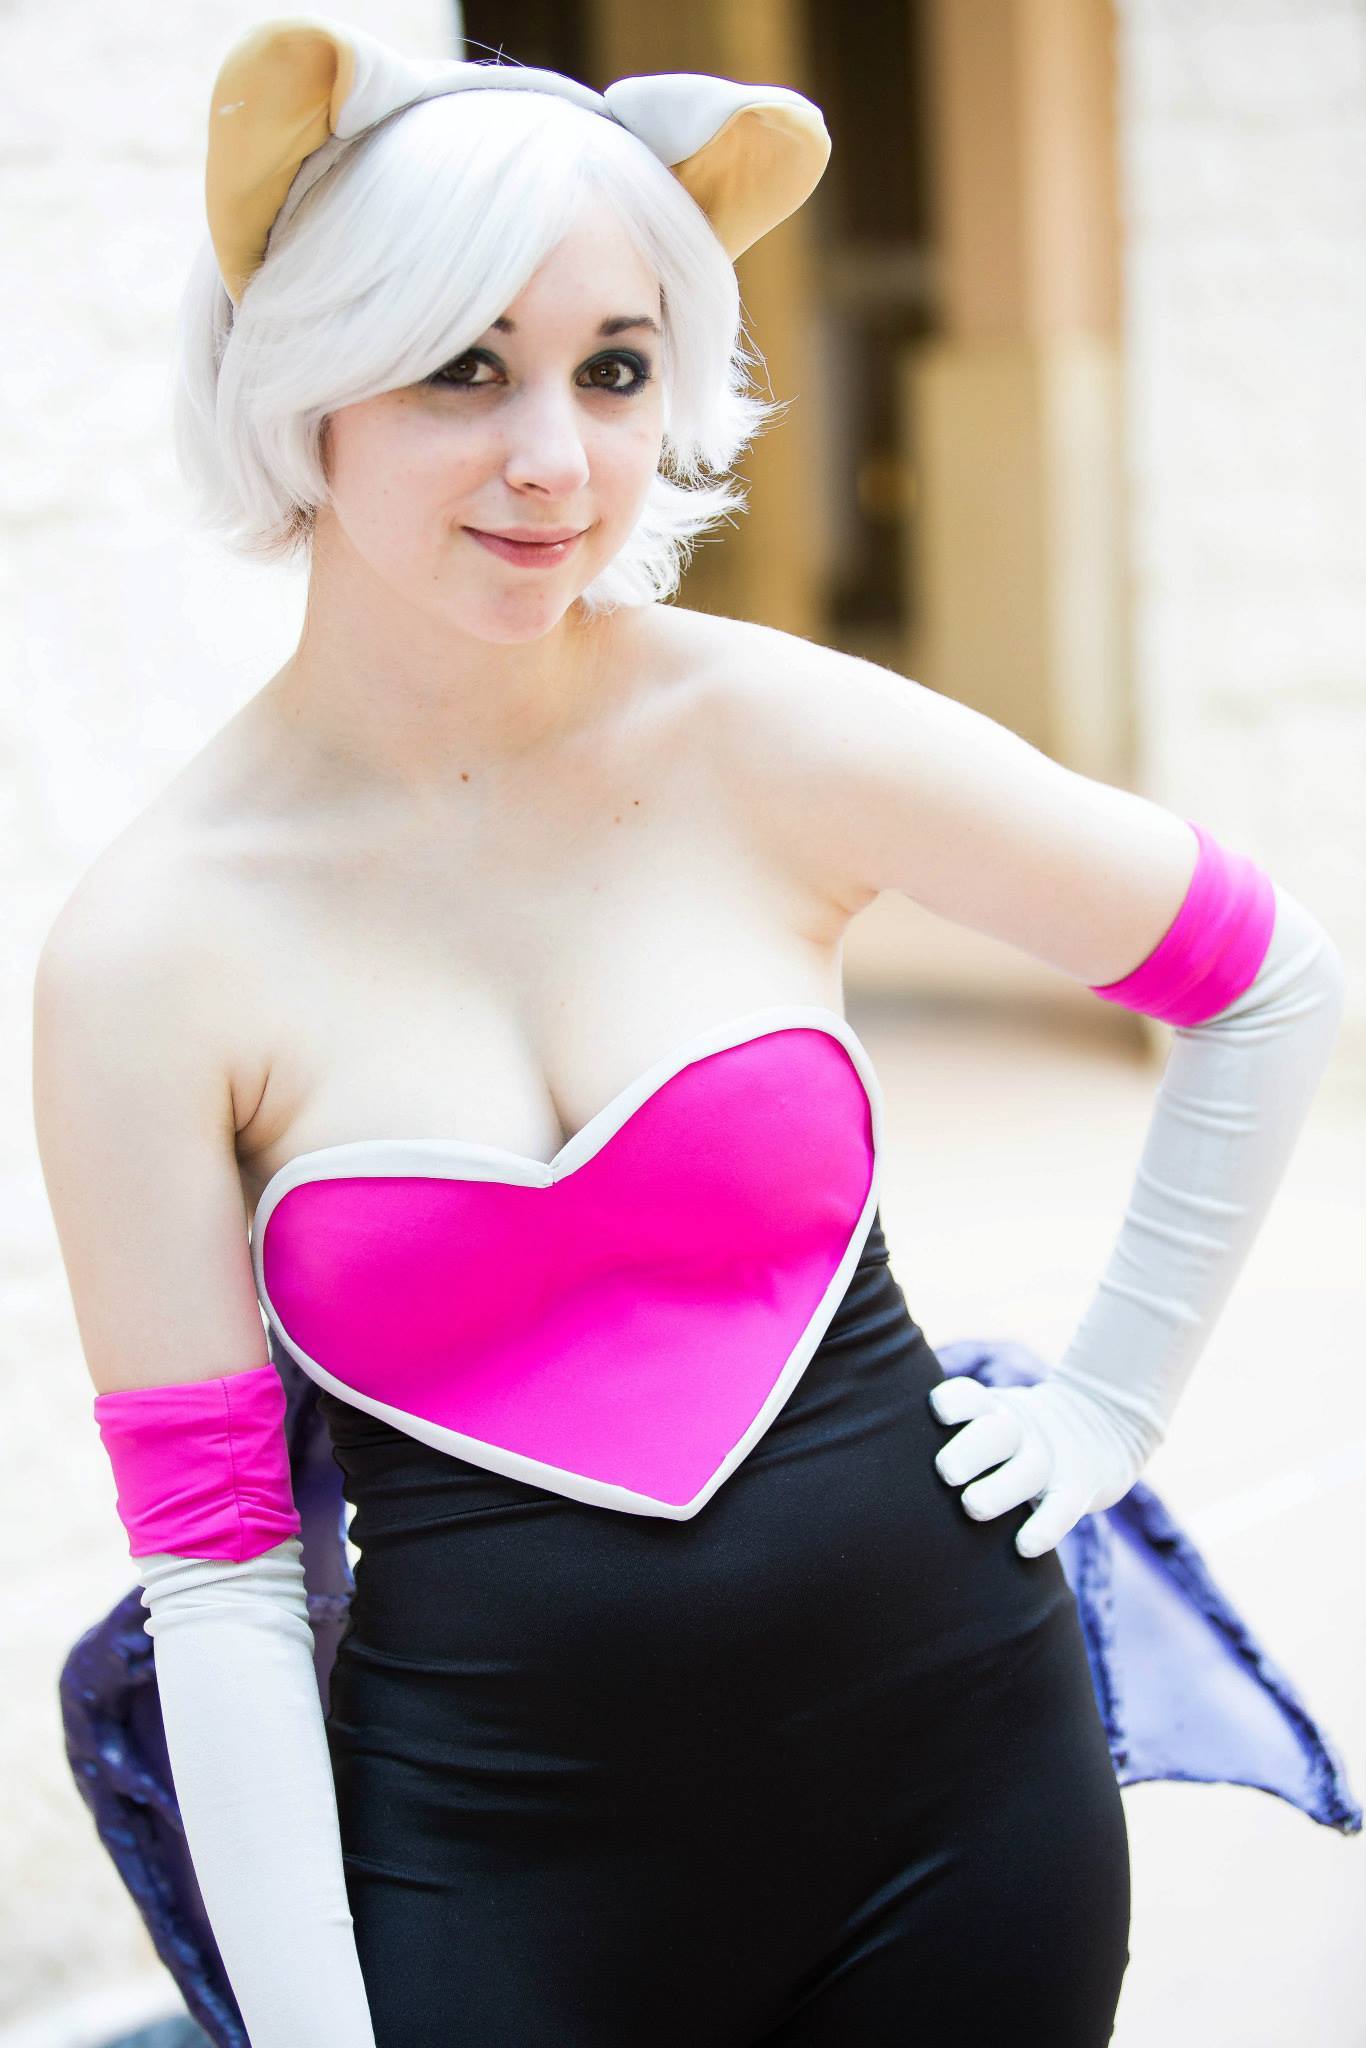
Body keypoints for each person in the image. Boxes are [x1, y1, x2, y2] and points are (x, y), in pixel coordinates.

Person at [33, 20, 1350, 2048]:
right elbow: (220, 1571)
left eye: (614, 368)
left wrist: (1108, 1403)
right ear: (304, 376)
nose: (553, 457)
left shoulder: (765, 734)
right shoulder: (147, 955)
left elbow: (1261, 979)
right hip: (493, 1869)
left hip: (964, 1802)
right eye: (461, 365)